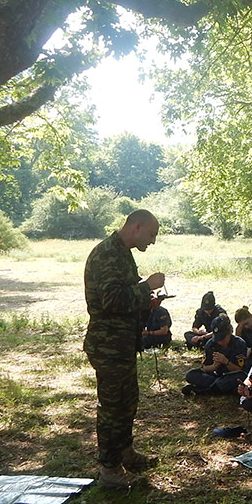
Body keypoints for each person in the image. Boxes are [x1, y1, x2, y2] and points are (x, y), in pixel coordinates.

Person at [83, 209, 163, 488]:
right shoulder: (107, 253)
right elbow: (111, 301)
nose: (152, 241)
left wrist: (147, 300)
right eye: (151, 234)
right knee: (113, 407)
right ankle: (109, 469)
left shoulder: (122, 252)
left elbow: (123, 296)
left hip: (122, 342)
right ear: (136, 227)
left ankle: (125, 452)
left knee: (127, 401)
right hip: (108, 345)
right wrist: (147, 286)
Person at [181, 315, 248, 396]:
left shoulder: (239, 344)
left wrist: (226, 362)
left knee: (240, 377)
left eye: (222, 339)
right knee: (191, 374)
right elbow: (205, 367)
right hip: (215, 376)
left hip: (231, 375)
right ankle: (217, 388)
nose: (220, 342)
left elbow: (240, 369)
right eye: (218, 339)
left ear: (230, 332)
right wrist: (214, 366)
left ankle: (205, 390)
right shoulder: (210, 344)